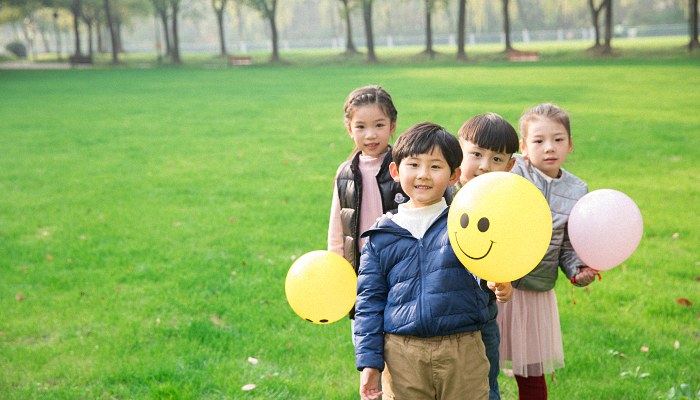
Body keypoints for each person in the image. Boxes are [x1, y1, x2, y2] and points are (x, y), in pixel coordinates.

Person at [354, 122, 492, 400]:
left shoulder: (463, 224)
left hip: (462, 348)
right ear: (395, 171)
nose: (423, 175)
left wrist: (494, 282)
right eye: (414, 165)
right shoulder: (381, 235)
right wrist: (369, 363)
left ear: (454, 175)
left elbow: (484, 271)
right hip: (402, 354)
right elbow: (369, 302)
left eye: (435, 166)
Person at [497, 103, 598, 399]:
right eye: (539, 140)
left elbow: (570, 242)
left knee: (531, 371)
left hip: (535, 293)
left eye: (558, 139)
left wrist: (578, 269)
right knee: (481, 364)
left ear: (570, 145)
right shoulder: (511, 171)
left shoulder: (577, 190)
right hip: (495, 286)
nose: (549, 147)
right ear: (523, 147)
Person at [327, 85, 408, 327]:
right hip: (362, 268)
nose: (370, 135)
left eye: (379, 125)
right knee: (365, 332)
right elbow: (336, 231)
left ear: (392, 126)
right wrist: (338, 272)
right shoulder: (345, 173)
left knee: (400, 331)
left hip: (400, 266)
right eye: (361, 126)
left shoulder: (405, 167)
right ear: (349, 129)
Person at [456, 113, 519, 400]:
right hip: (442, 319)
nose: (484, 166)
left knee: (485, 387)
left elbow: (512, 251)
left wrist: (503, 283)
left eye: (496, 159)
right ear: (459, 152)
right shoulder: (442, 198)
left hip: (483, 316)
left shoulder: (507, 207)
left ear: (510, 165)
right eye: (476, 154)